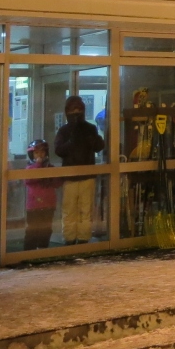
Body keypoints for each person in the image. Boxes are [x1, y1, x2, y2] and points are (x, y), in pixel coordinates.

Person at [53, 96, 105, 244]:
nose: (76, 112)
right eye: (73, 109)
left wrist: (94, 140)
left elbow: (98, 146)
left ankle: (82, 240)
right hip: (72, 177)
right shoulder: (65, 130)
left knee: (85, 210)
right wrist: (72, 142)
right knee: (70, 210)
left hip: (85, 176)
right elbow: (58, 150)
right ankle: (70, 240)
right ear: (67, 111)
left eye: (78, 109)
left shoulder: (89, 128)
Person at [23, 139, 60, 250]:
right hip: (34, 206)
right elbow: (28, 180)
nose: (40, 155)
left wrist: (52, 177)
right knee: (32, 230)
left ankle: (42, 250)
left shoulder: (50, 167)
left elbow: (57, 183)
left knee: (46, 230)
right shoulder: (30, 168)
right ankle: (29, 252)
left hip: (48, 205)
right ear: (31, 154)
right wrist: (38, 165)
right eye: (36, 152)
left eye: (42, 152)